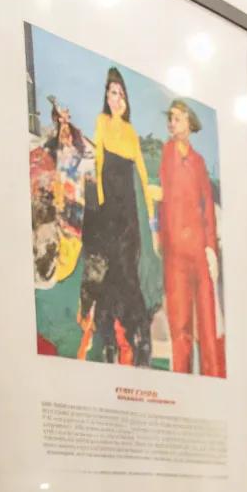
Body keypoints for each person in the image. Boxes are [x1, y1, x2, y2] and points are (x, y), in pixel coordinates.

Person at [84, 66, 161, 366]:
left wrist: (151, 221)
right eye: (111, 93)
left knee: (129, 273)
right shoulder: (102, 122)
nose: (116, 98)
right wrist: (102, 209)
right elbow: (98, 162)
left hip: (130, 211)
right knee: (107, 274)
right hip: (108, 212)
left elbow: (142, 177)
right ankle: (108, 343)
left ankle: (141, 336)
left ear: (127, 98)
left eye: (120, 93)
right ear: (107, 97)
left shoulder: (131, 133)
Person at [159, 99, 224, 377]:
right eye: (170, 118)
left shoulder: (198, 162)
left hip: (199, 250)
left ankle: (214, 380)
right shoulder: (165, 154)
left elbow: (207, 203)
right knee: (180, 327)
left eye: (177, 118)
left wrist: (211, 248)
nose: (172, 123)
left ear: (188, 122)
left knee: (208, 326)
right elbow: (161, 200)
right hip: (175, 254)